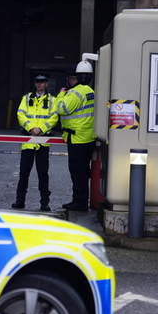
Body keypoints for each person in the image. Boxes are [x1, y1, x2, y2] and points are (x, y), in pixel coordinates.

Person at [11, 72, 58, 211]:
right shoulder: (26, 99)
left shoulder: (52, 100)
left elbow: (54, 117)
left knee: (43, 173)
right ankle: (20, 201)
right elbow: (20, 114)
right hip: (29, 141)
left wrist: (41, 129)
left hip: (43, 142)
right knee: (24, 172)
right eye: (37, 82)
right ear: (35, 83)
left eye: (42, 82)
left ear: (46, 84)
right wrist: (31, 128)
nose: (39, 84)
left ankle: (44, 203)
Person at [57, 60, 96, 211]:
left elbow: (61, 109)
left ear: (68, 78)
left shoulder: (75, 93)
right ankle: (81, 200)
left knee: (77, 172)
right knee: (83, 172)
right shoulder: (90, 91)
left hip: (77, 138)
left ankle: (79, 202)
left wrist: (61, 94)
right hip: (88, 137)